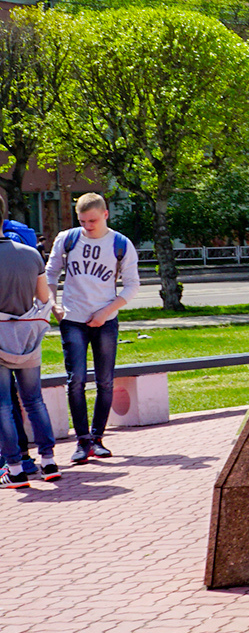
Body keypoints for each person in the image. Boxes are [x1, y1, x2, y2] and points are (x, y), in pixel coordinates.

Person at [45, 193, 138, 464]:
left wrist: (106, 311)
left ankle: (98, 438)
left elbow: (132, 284)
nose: (87, 226)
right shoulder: (68, 238)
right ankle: (82, 440)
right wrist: (53, 305)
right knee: (75, 381)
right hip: (73, 318)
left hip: (105, 320)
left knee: (105, 380)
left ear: (105, 215)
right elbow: (50, 273)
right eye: (82, 221)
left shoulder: (121, 243)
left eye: (92, 220)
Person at [0, 195, 57, 487]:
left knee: (2, 406)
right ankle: (48, 461)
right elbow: (44, 298)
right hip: (26, 337)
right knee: (34, 400)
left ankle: (15, 468)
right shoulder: (31, 253)